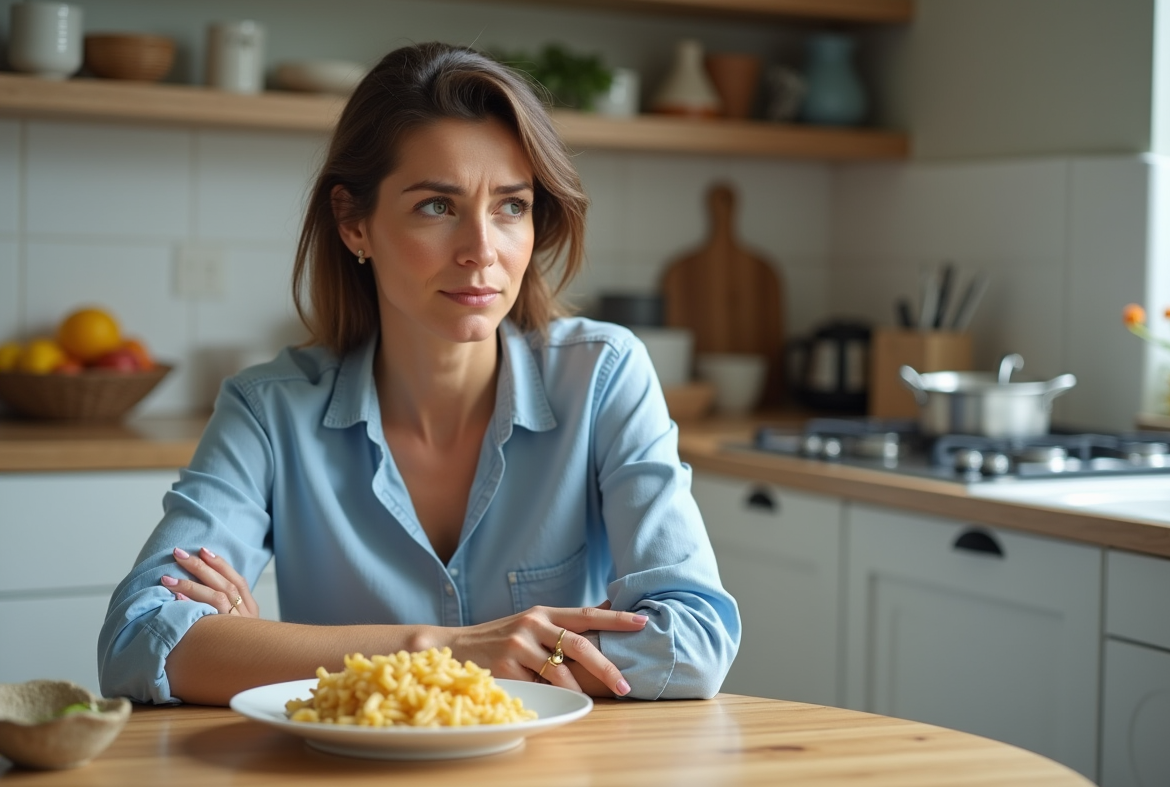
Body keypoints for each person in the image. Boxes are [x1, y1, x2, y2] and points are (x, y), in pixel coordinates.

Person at [98, 42, 740, 706]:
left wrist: (272, 652)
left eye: (511, 206)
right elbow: (140, 643)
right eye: (438, 206)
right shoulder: (268, 410)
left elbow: (692, 642)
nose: (481, 252)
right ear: (353, 224)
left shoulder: (604, 376)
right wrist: (448, 650)